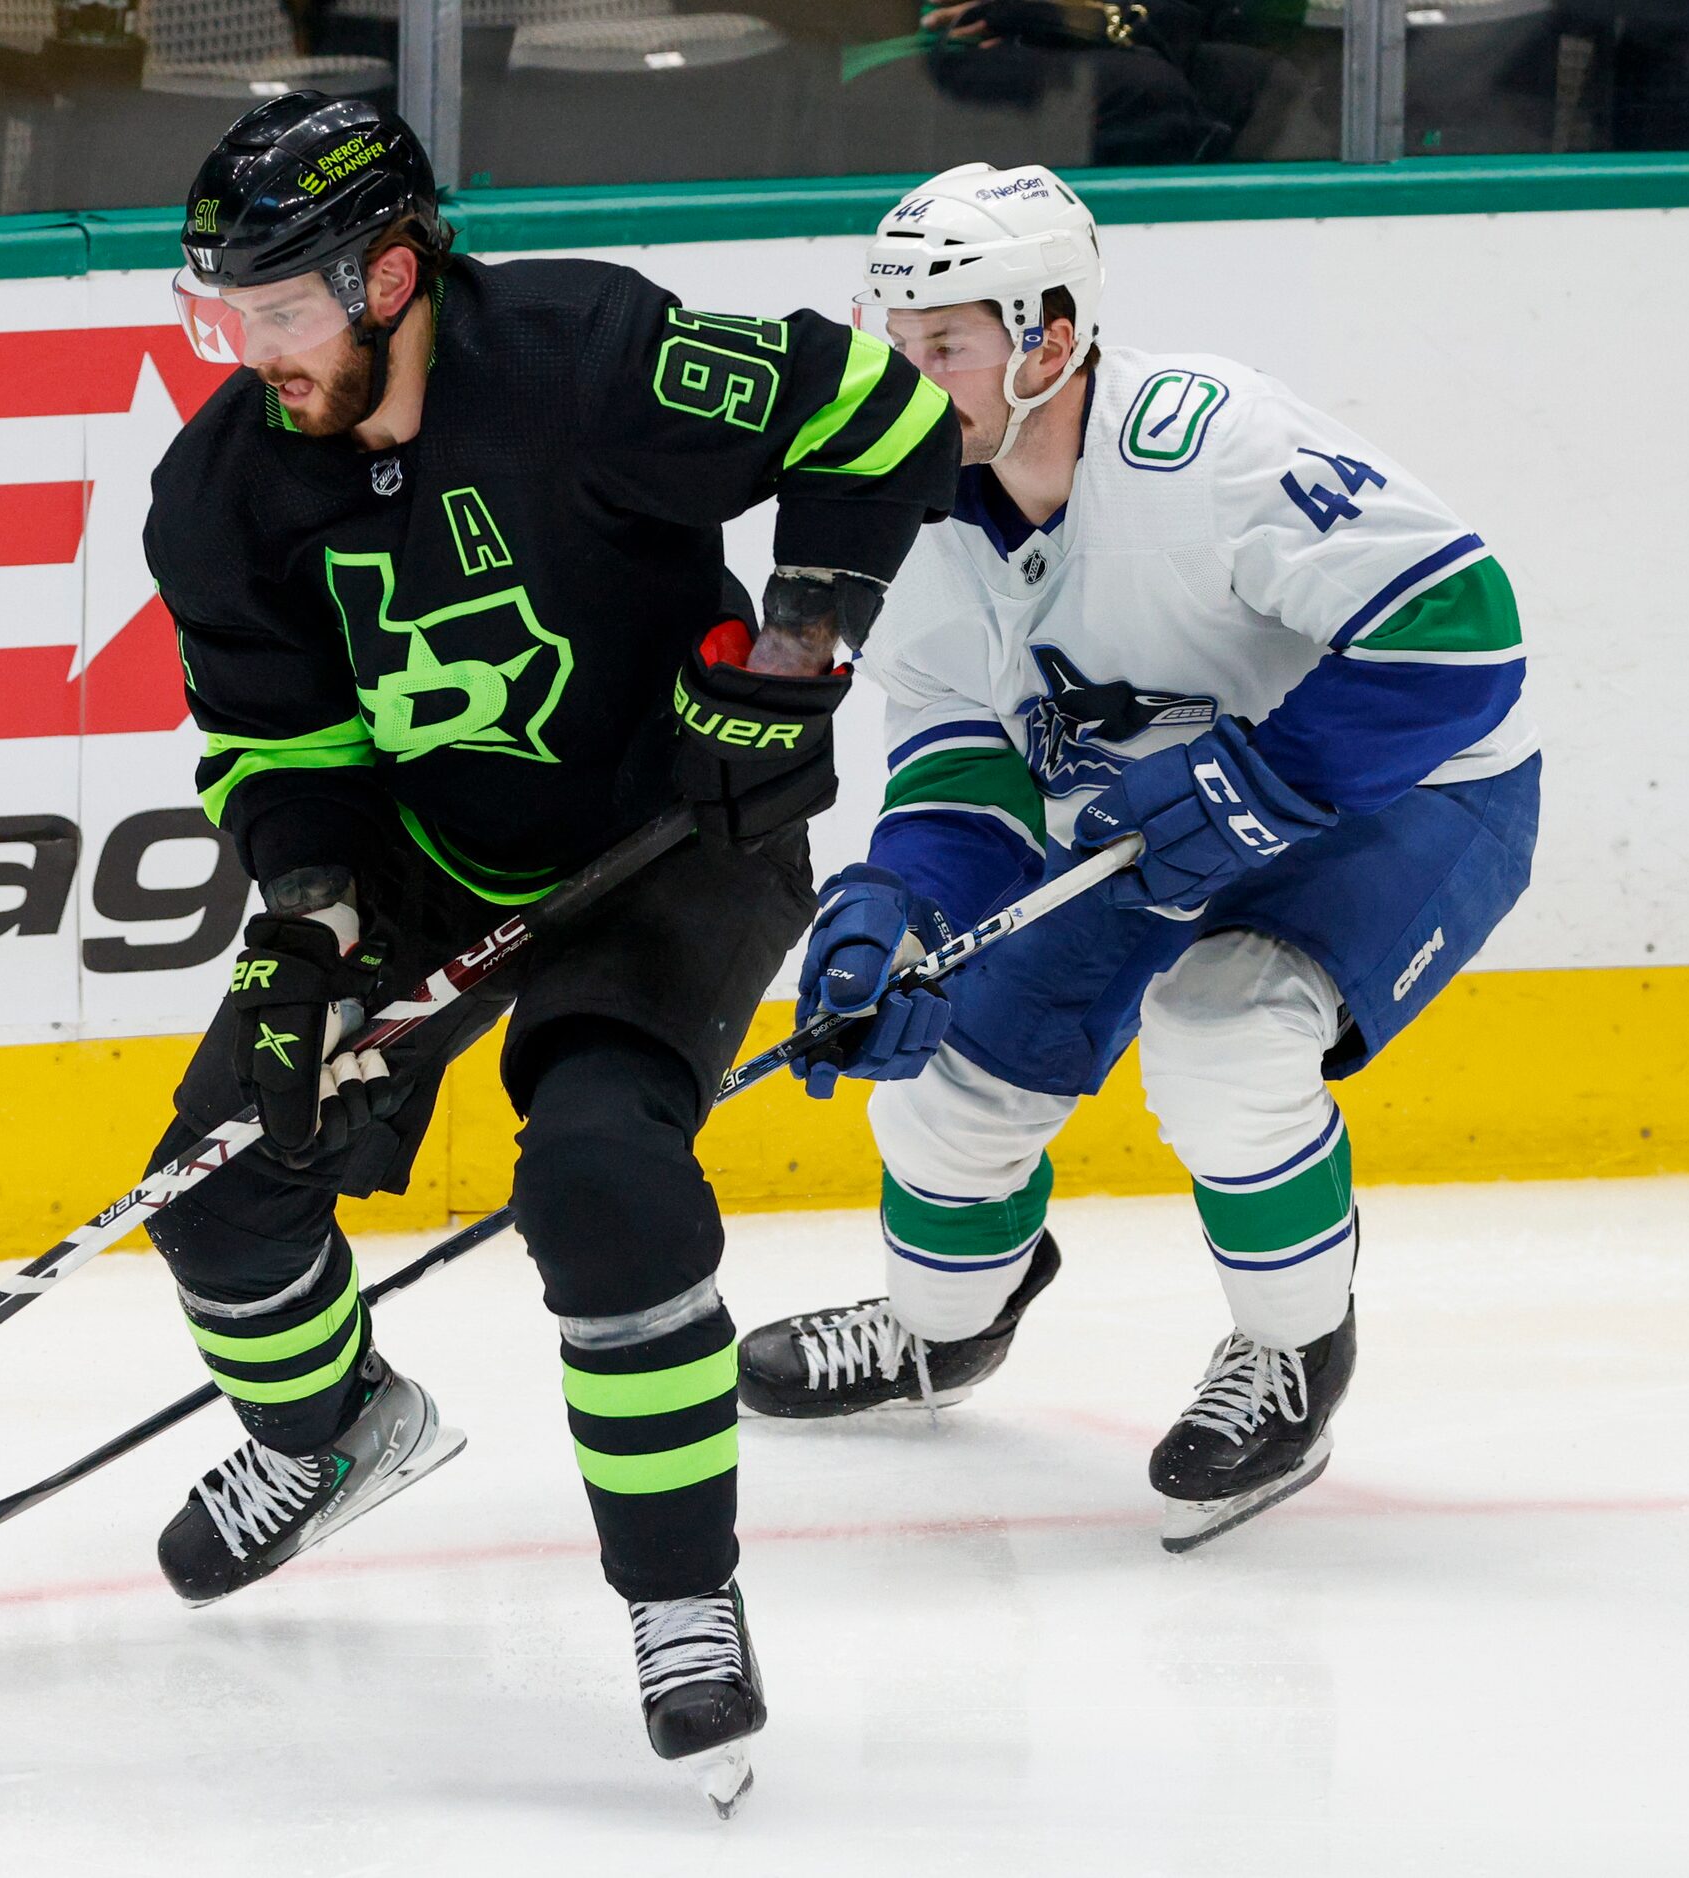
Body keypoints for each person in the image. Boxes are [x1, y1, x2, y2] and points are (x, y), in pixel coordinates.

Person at [141, 91, 957, 1791]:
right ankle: (335, 1430)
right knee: (223, 1180)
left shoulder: (593, 355)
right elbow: (284, 756)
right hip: (427, 862)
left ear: (391, 273)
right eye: (225, 313)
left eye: (282, 310)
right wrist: (305, 943)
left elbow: (883, 419)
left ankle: (683, 1595)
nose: (253, 352)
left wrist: (794, 659)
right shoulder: (220, 493)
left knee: (600, 1174)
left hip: (669, 839)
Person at [737, 162, 1540, 1552]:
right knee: (946, 1093)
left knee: (1224, 1037)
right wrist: (899, 902)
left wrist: (1270, 782)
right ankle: (947, 1326)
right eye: (896, 344)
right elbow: (957, 739)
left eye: (946, 349)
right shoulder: (912, 505)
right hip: (1135, 823)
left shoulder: (1206, 443)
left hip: (1394, 792)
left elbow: (1460, 632)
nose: (906, 381)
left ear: (1049, 338)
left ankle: (1293, 1348)